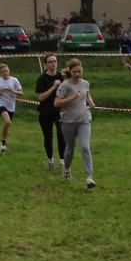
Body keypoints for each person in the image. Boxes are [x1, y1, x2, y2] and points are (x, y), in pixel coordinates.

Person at [55, 58, 96, 188]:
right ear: (70, 72)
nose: (77, 74)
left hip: (84, 119)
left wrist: (90, 101)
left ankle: (89, 177)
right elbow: (56, 103)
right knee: (70, 149)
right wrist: (71, 97)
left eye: (79, 71)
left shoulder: (85, 83)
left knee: (85, 147)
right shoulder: (65, 85)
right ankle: (66, 168)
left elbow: (86, 94)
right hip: (68, 121)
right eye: (74, 72)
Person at [35, 53, 66, 170]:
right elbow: (41, 97)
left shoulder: (62, 77)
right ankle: (50, 160)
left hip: (59, 110)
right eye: (51, 62)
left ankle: (62, 161)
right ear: (46, 64)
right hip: (45, 111)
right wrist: (53, 87)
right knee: (48, 137)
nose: (53, 63)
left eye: (55, 61)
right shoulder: (42, 79)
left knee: (61, 134)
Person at [0, 63, 23, 154]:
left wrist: (14, 91)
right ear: (0, 73)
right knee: (7, 121)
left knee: (7, 125)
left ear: (9, 71)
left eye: (6, 71)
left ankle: (2, 142)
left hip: (11, 105)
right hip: (0, 103)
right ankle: (3, 143)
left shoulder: (14, 80)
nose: (5, 73)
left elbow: (21, 92)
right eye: (3, 72)